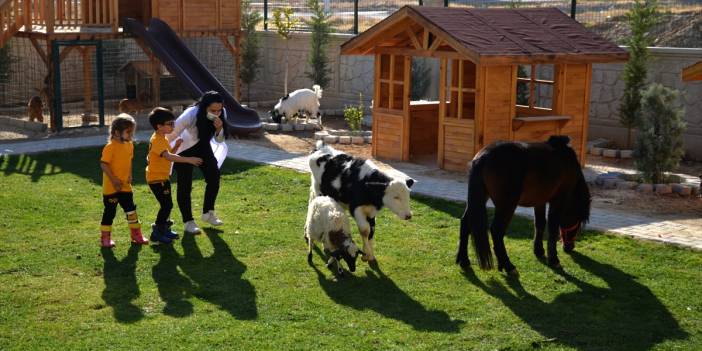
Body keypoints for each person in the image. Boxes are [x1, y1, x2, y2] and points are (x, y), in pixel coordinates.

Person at [167, 91, 228, 234]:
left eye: (219, 110)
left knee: (214, 176)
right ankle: (188, 221)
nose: (217, 113)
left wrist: (219, 127)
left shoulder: (222, 113)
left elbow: (220, 140)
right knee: (185, 185)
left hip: (203, 147)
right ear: (203, 106)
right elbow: (172, 133)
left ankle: (208, 213)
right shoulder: (191, 114)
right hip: (184, 149)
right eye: (213, 110)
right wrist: (160, 150)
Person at [146, 107, 203, 244]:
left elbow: (166, 155)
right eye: (170, 124)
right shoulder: (158, 140)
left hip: (162, 178)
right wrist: (189, 159)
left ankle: (163, 229)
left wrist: (176, 146)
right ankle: (157, 232)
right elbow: (169, 157)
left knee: (167, 205)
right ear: (159, 126)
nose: (173, 126)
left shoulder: (162, 137)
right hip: (156, 179)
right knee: (166, 206)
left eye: (173, 123)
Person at [99, 114, 149, 248]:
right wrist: (114, 180)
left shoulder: (129, 145)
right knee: (110, 212)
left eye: (132, 132)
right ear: (116, 132)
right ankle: (105, 238)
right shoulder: (110, 147)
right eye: (128, 132)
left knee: (131, 211)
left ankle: (136, 235)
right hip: (111, 188)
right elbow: (104, 164)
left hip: (125, 187)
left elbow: (129, 161)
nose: (131, 135)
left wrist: (130, 175)